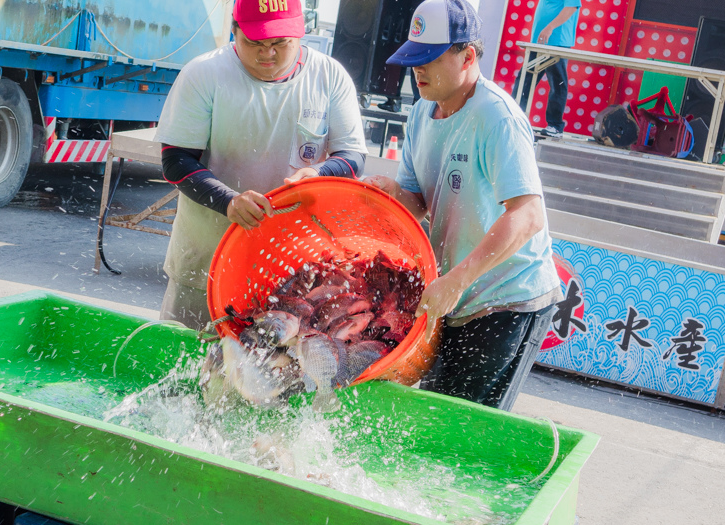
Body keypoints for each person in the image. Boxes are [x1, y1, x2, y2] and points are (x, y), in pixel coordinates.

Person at [365, 0, 562, 411]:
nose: (416, 70)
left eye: (428, 59)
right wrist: (387, 192)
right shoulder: (420, 113)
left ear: (467, 56)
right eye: (412, 59)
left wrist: (456, 280)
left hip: (506, 297)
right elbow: (418, 202)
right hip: (454, 292)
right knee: (433, 415)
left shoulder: (496, 117)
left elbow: (527, 216)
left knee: (462, 428)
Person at [154, 0, 368, 330]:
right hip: (205, 259)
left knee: (272, 372)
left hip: (292, 273)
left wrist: (318, 174)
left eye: (279, 43)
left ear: (301, 34)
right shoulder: (205, 73)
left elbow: (353, 157)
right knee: (181, 364)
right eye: (254, 43)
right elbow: (176, 160)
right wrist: (228, 201)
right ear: (234, 33)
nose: (266, 54)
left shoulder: (329, 76)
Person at [513, 0, 580, 139]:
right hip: (539, 42)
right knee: (525, 80)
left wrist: (550, 28)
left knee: (557, 82)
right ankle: (514, 118)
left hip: (556, 42)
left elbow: (571, 7)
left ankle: (555, 126)